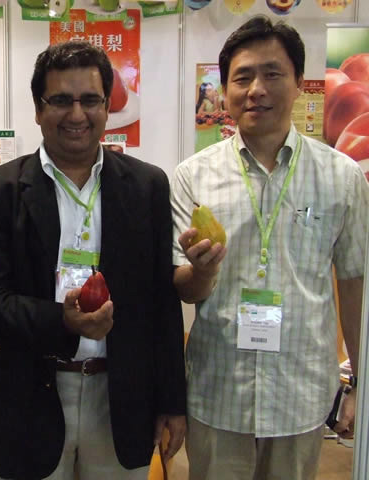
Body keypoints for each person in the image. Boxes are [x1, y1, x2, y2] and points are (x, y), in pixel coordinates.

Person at [0, 41, 186, 480]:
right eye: (61, 100)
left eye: (90, 100)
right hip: (33, 394)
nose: (77, 114)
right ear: (38, 109)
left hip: (122, 398)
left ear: (107, 106)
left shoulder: (147, 187)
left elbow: (163, 303)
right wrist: (62, 322)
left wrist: (172, 402)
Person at [171, 15, 369, 480]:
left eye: (272, 74)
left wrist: (359, 383)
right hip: (219, 394)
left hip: (300, 395)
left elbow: (354, 283)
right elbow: (183, 288)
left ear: (299, 82)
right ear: (224, 90)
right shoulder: (192, 176)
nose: (256, 89)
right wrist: (202, 272)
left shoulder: (341, 177)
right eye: (242, 77)